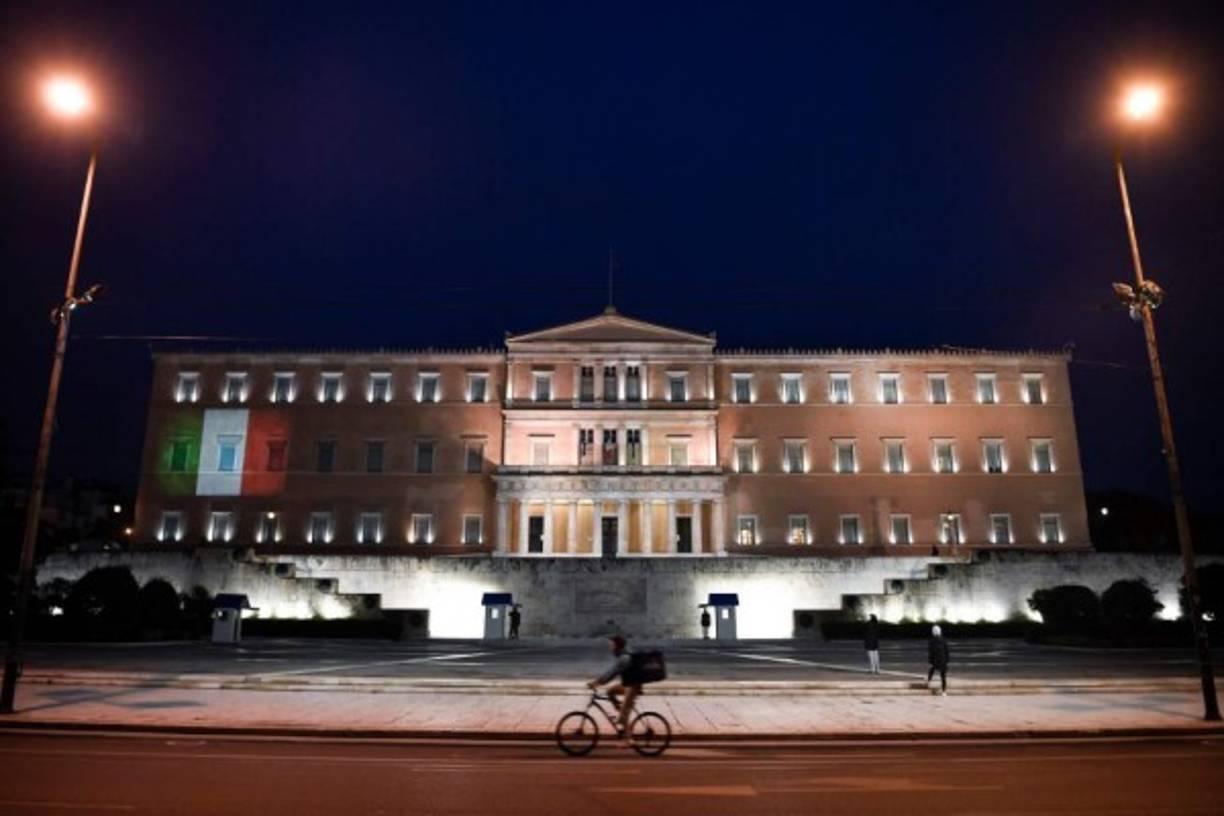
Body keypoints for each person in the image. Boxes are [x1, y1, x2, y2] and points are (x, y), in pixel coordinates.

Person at [587, 634, 640, 744]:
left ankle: (628, 739)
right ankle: (621, 712)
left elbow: (611, 673)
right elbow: (612, 672)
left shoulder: (624, 658)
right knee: (610, 691)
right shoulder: (623, 656)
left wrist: (597, 682)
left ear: (617, 646)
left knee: (623, 716)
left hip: (633, 687)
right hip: (627, 684)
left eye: (612, 645)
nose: (610, 648)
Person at [927, 624, 949, 695]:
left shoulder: (931, 641)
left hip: (936, 661)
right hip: (943, 660)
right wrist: (947, 661)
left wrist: (930, 661)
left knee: (932, 669)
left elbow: (931, 652)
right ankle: (944, 691)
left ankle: (929, 681)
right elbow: (946, 651)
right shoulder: (944, 640)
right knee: (943, 677)